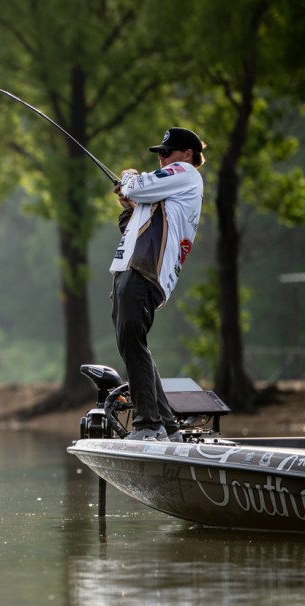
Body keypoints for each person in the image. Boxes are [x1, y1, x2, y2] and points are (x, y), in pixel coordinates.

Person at [110, 127, 206, 441]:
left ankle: (148, 425)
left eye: (167, 152)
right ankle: (167, 426)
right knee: (133, 343)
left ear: (188, 154)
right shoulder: (166, 192)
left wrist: (129, 177)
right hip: (131, 270)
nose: (162, 158)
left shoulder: (186, 173)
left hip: (144, 272)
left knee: (132, 342)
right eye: (160, 154)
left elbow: (138, 185)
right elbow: (132, 225)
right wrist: (128, 205)